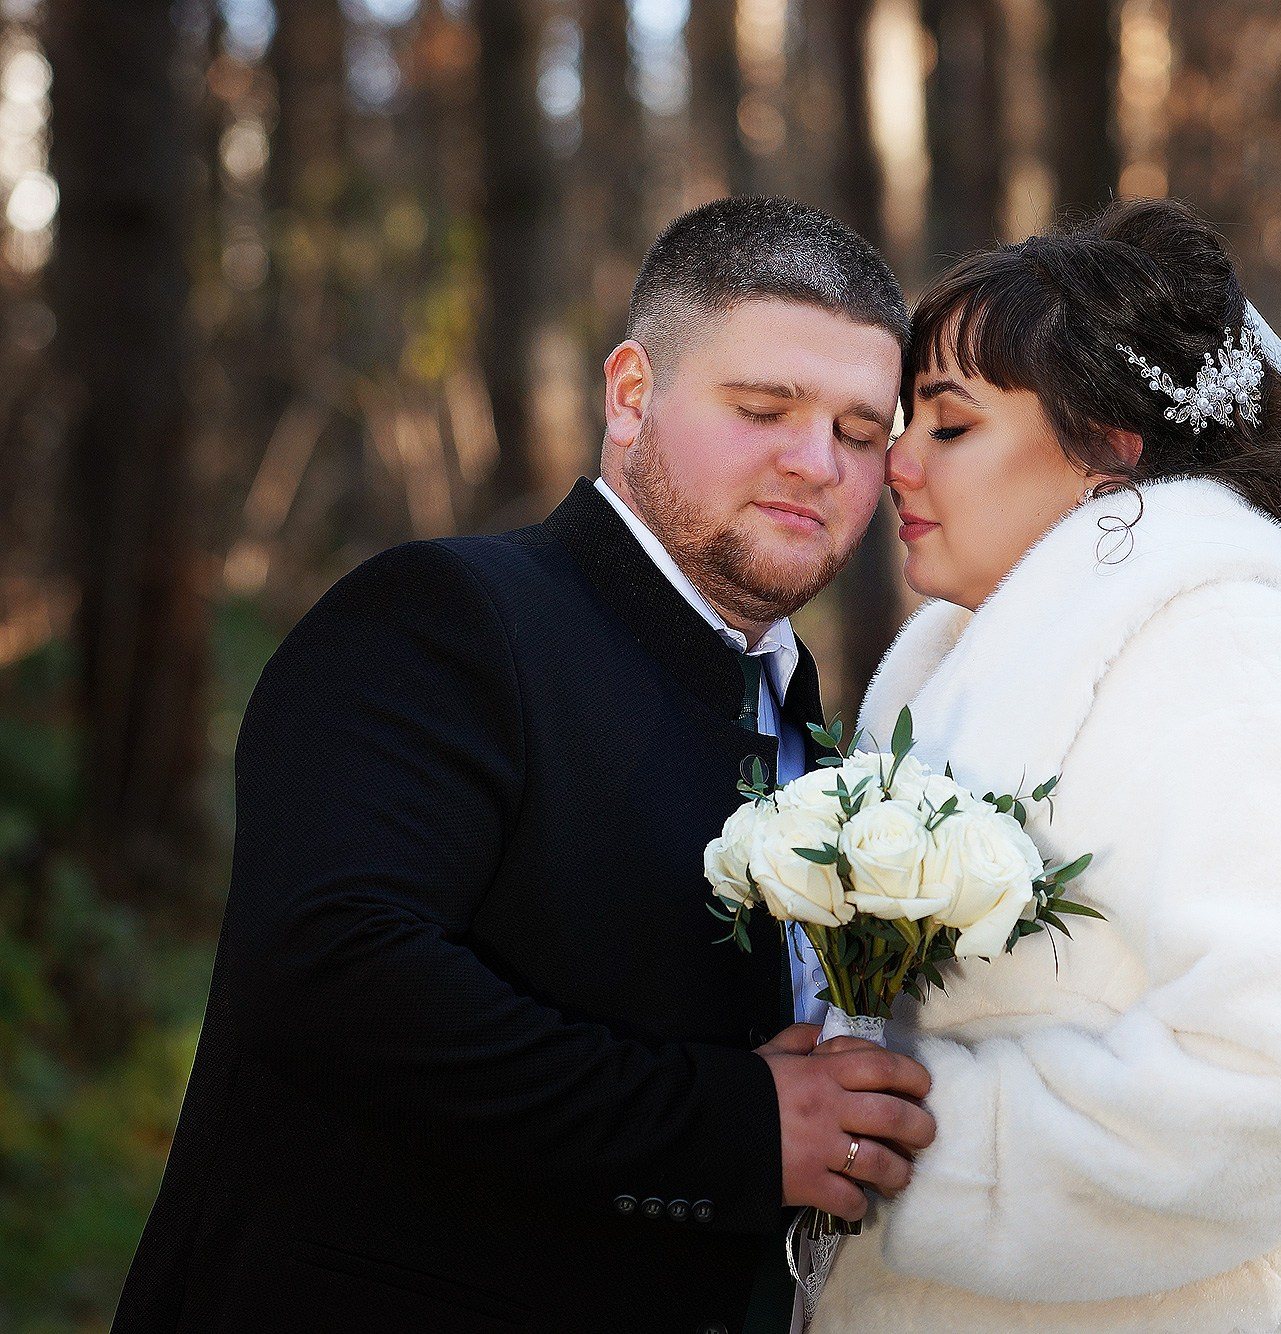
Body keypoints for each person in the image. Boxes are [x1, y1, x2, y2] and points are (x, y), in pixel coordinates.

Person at [111, 196, 936, 1334]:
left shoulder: (810, 722)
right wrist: (735, 1126)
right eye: (762, 408)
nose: (815, 463)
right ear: (631, 393)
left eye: (858, 430)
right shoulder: (444, 616)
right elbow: (334, 969)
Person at [811, 197, 1281, 1332]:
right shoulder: (976, 669)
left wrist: (910, 1147)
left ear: (1110, 452)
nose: (892, 461)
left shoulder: (1247, 668)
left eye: (948, 426)